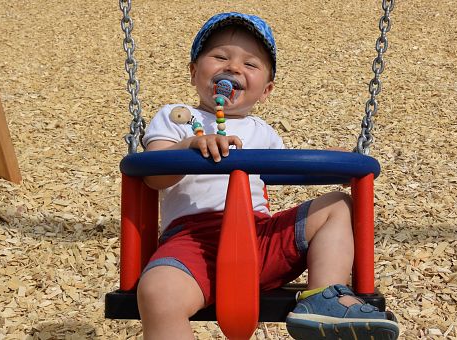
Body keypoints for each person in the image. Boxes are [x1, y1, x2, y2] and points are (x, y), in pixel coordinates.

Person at [136, 12, 400, 340]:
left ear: (266, 89)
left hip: (260, 237)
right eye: (220, 56)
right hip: (192, 242)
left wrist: (334, 165)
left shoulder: (263, 131)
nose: (233, 67)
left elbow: (289, 171)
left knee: (339, 206)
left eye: (250, 64)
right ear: (193, 72)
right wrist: (191, 144)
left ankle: (323, 298)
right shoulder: (177, 116)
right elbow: (153, 174)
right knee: (157, 294)